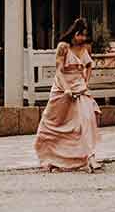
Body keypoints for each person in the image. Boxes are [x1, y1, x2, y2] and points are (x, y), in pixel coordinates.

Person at [34, 18, 101, 172]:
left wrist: (86, 81)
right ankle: (53, 158)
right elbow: (59, 70)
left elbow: (89, 64)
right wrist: (66, 89)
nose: (83, 38)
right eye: (80, 35)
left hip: (79, 87)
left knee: (87, 118)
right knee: (55, 124)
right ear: (74, 33)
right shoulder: (63, 47)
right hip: (62, 87)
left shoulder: (84, 48)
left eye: (85, 35)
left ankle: (90, 157)